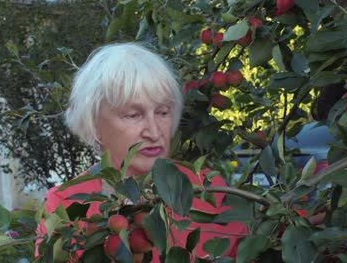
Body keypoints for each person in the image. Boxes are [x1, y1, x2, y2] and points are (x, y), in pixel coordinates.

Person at [35, 43, 248, 261]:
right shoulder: (64, 207)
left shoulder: (208, 191)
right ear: (95, 124)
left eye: (163, 112)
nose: (154, 132)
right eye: (133, 115)